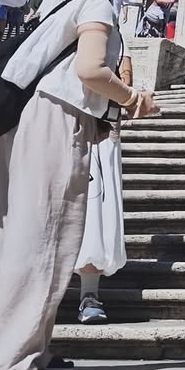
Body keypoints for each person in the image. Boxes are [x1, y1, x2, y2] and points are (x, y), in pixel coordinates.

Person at [0, 0, 160, 370]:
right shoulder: (96, 4)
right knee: (46, 235)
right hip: (58, 118)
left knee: (33, 234)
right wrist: (134, 99)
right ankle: (12, 356)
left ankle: (34, 347)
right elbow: (91, 69)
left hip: (29, 116)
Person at [74, 38, 136, 324]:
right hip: (62, 131)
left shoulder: (118, 43)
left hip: (100, 136)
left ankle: (89, 295)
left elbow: (123, 77)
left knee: (96, 214)